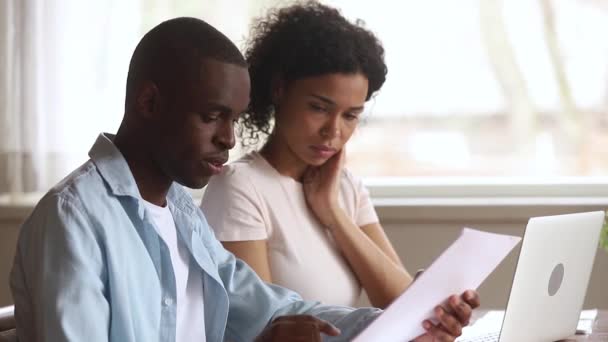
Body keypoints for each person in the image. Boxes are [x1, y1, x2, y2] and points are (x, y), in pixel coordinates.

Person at [10, 16, 477, 342]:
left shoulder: (181, 216)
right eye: (212, 116)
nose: (228, 140)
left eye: (234, 119)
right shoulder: (75, 220)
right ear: (149, 103)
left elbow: (276, 310)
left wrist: (411, 324)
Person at [201, 2, 412, 310]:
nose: (333, 131)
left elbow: (408, 307)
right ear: (278, 90)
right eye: (319, 108)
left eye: (350, 116)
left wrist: (334, 214)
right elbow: (265, 324)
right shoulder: (240, 187)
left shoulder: (347, 188)